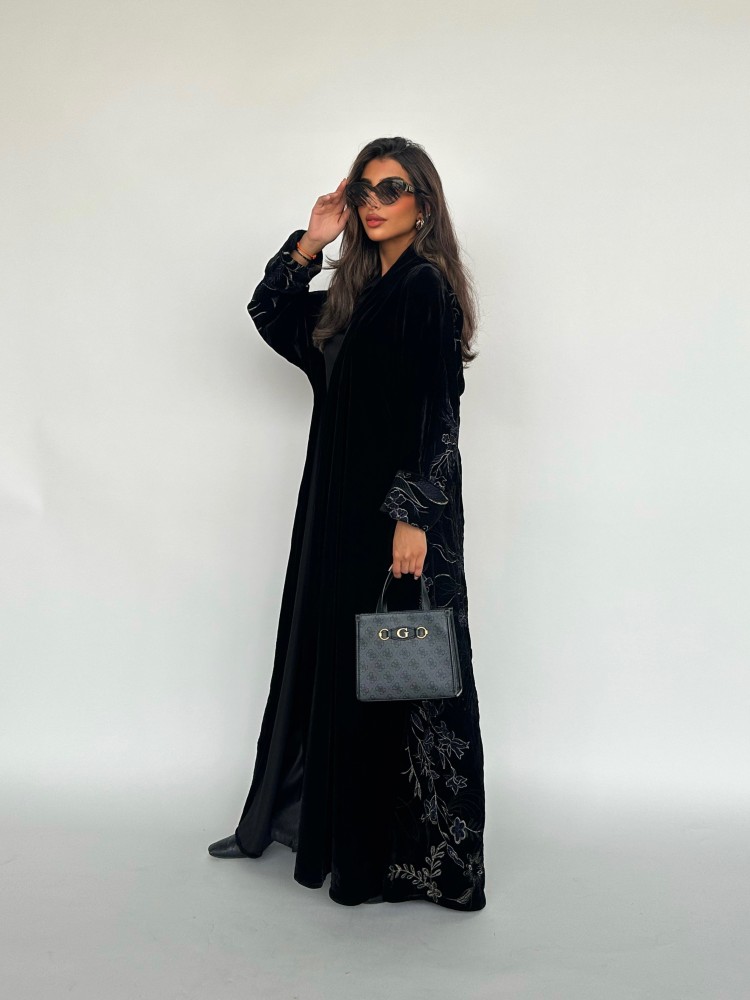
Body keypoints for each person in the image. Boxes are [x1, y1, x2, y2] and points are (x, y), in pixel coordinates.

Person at [208, 136, 486, 911]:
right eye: (364, 188)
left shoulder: (425, 287)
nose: (373, 202)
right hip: (337, 513)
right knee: (342, 666)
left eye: (391, 188)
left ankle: (395, 859)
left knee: (396, 675)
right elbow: (270, 313)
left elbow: (438, 411)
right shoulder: (356, 294)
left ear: (423, 205)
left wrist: (413, 518)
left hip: (397, 521)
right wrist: (311, 241)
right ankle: (334, 836)